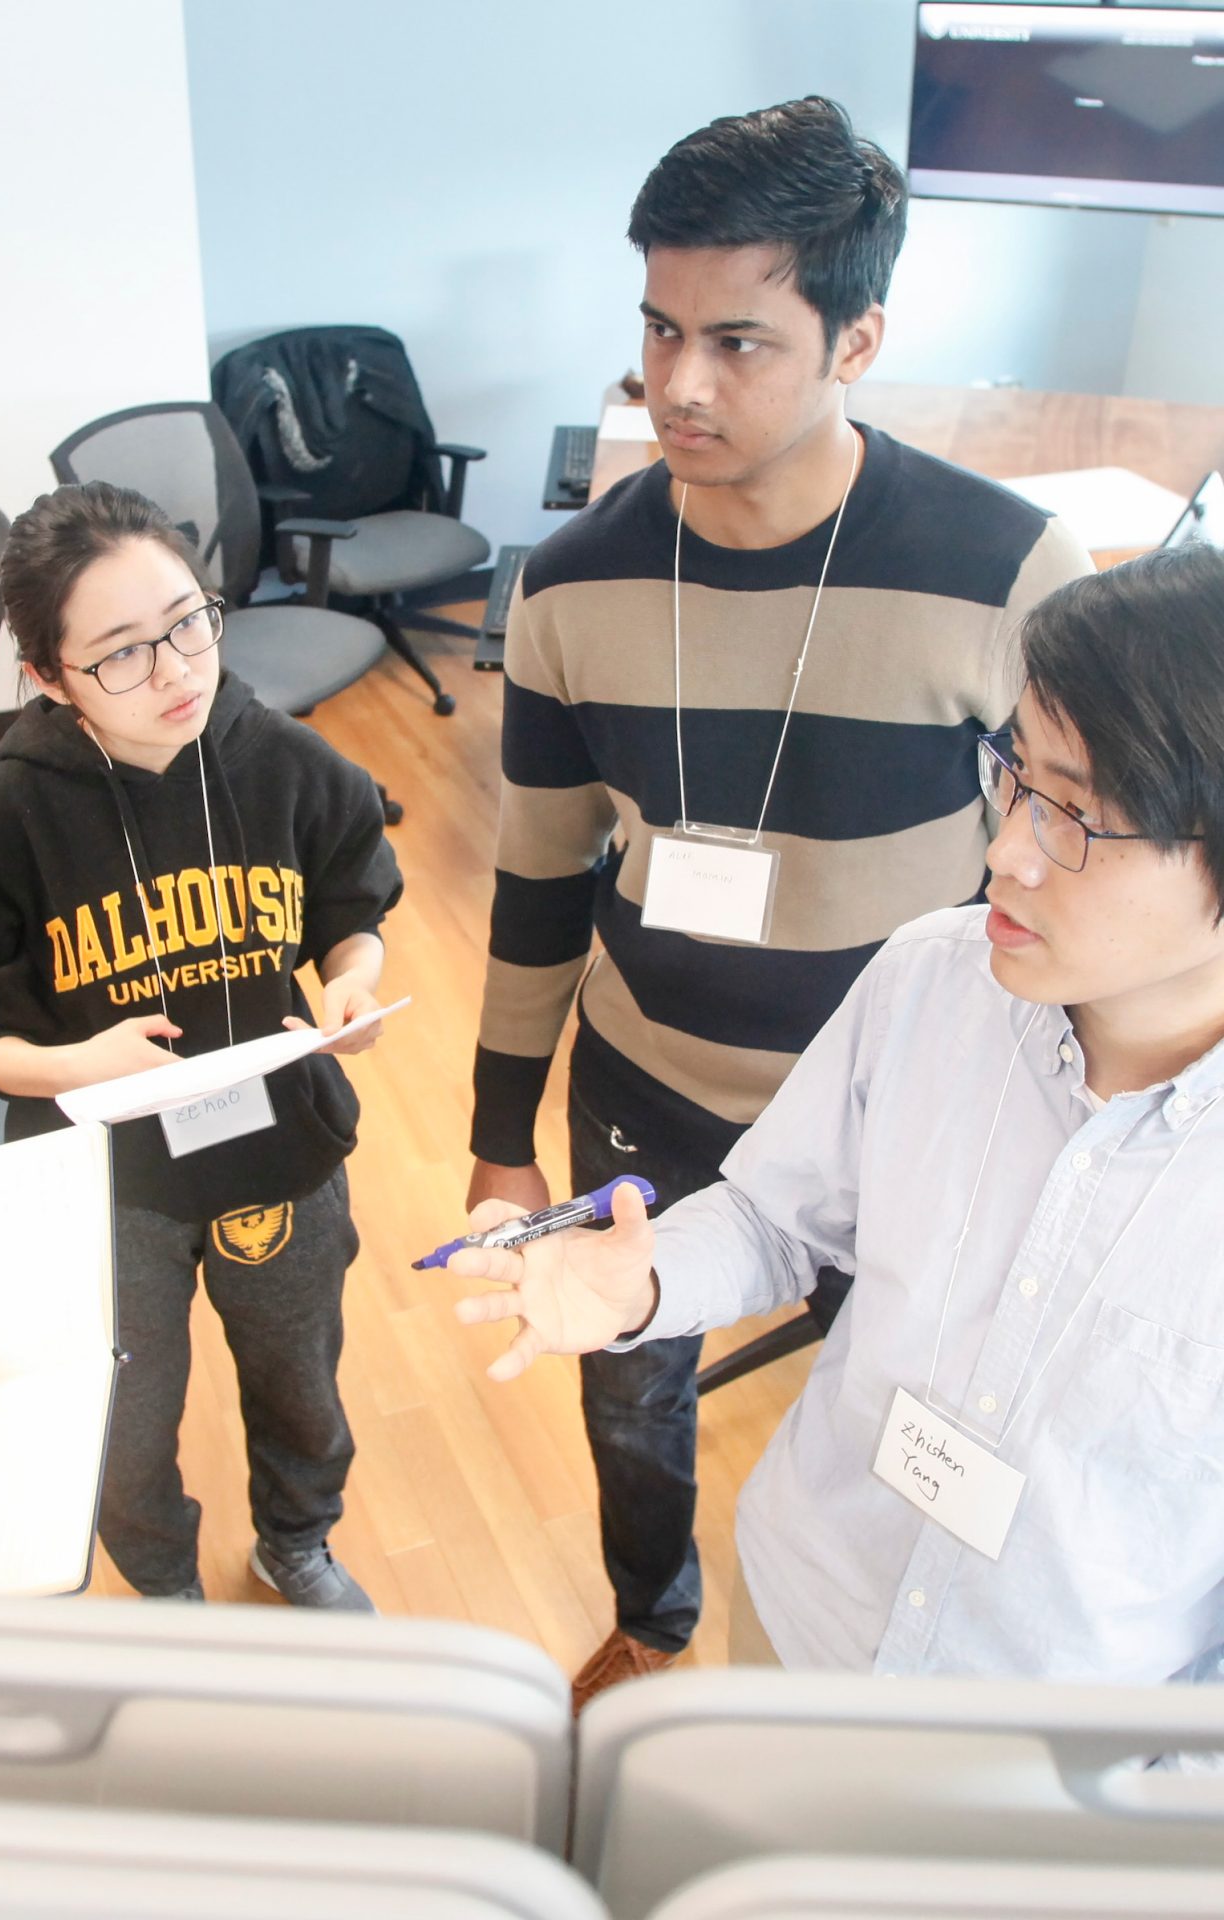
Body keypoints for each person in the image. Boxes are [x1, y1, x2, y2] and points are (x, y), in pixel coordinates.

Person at [466, 96, 1092, 1705]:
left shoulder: (1009, 569)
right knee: (632, 1389)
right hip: (650, 1087)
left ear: (858, 338)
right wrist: (492, 1127)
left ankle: (867, 1670)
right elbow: (539, 870)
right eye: (660, 331)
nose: (678, 384)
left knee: (923, 1399)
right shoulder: (569, 583)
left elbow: (1089, 856)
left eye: (739, 341)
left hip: (922, 1102)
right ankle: (656, 1620)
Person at [453, 544, 1224, 1697]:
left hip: (1056, 1748)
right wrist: (645, 1284)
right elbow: (776, 1217)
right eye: (1013, 778)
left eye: (1077, 818)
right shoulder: (930, 980)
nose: (1004, 851)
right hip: (803, 1603)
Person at [0, 481, 402, 1607]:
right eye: (120, 656)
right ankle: (164, 1589)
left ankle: (296, 1541)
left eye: (187, 622)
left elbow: (354, 904)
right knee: (126, 1425)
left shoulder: (285, 762)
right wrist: (63, 1067)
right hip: (110, 1188)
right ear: (46, 676)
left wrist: (352, 984)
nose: (176, 673)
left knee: (300, 1382)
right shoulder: (1, 821)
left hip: (278, 1160)